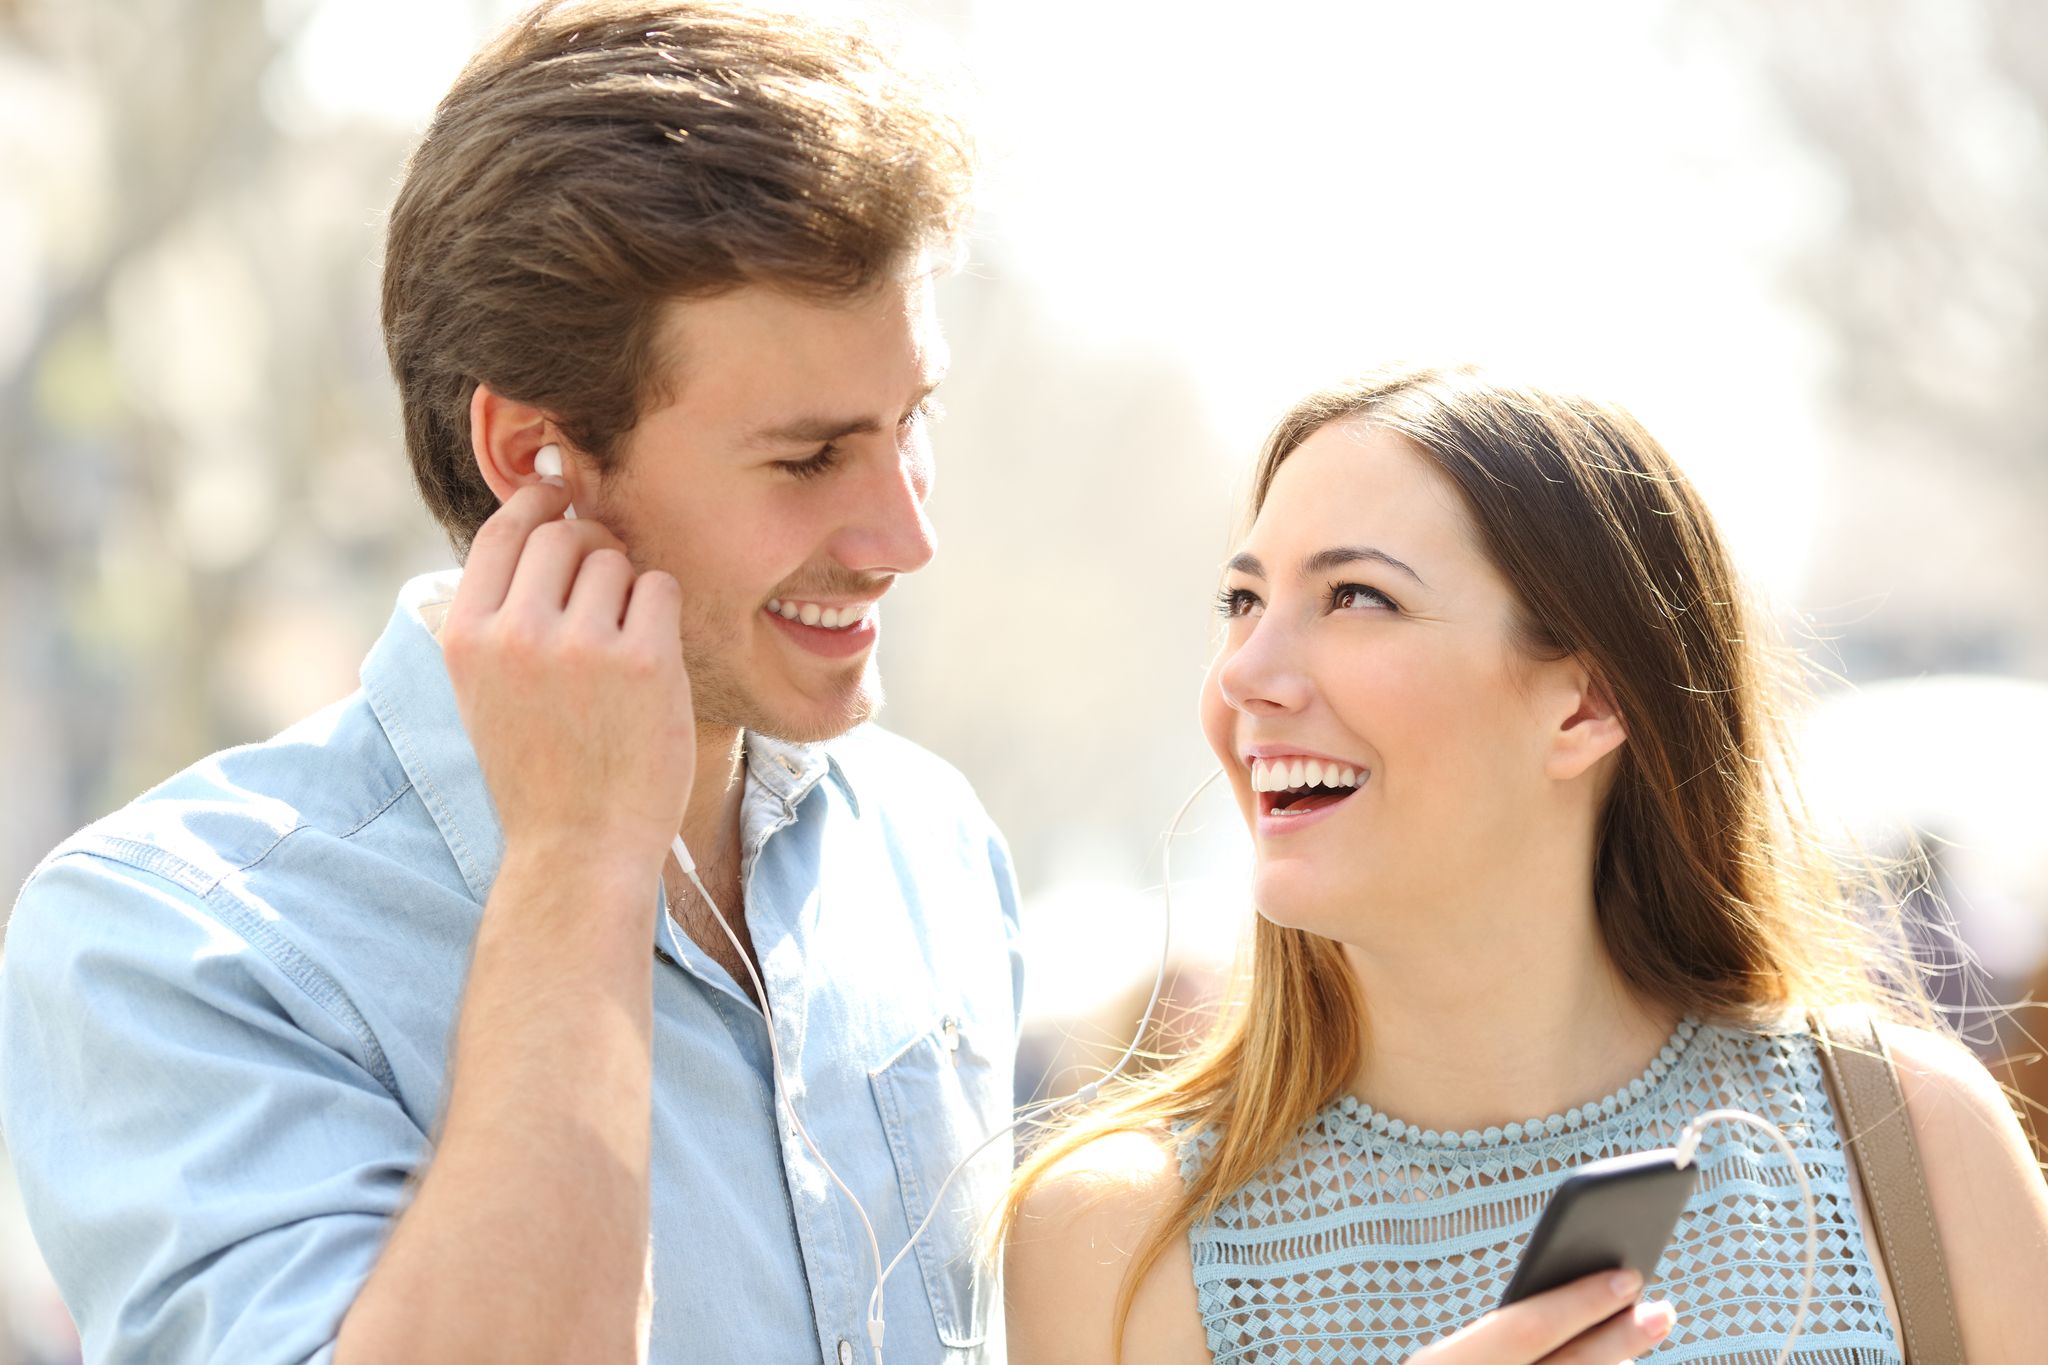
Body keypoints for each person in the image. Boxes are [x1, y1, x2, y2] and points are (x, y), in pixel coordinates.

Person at [0, 4, 1023, 1362]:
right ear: (535, 454)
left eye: (913, 424)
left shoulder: (933, 847)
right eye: (808, 457)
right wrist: (576, 860)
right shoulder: (169, 944)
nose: (906, 536)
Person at [1001, 364, 2048, 1363]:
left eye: (1356, 598)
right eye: (1241, 603)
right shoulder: (1109, 1243)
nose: (1246, 678)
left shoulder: (1911, 1142)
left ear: (1586, 703)